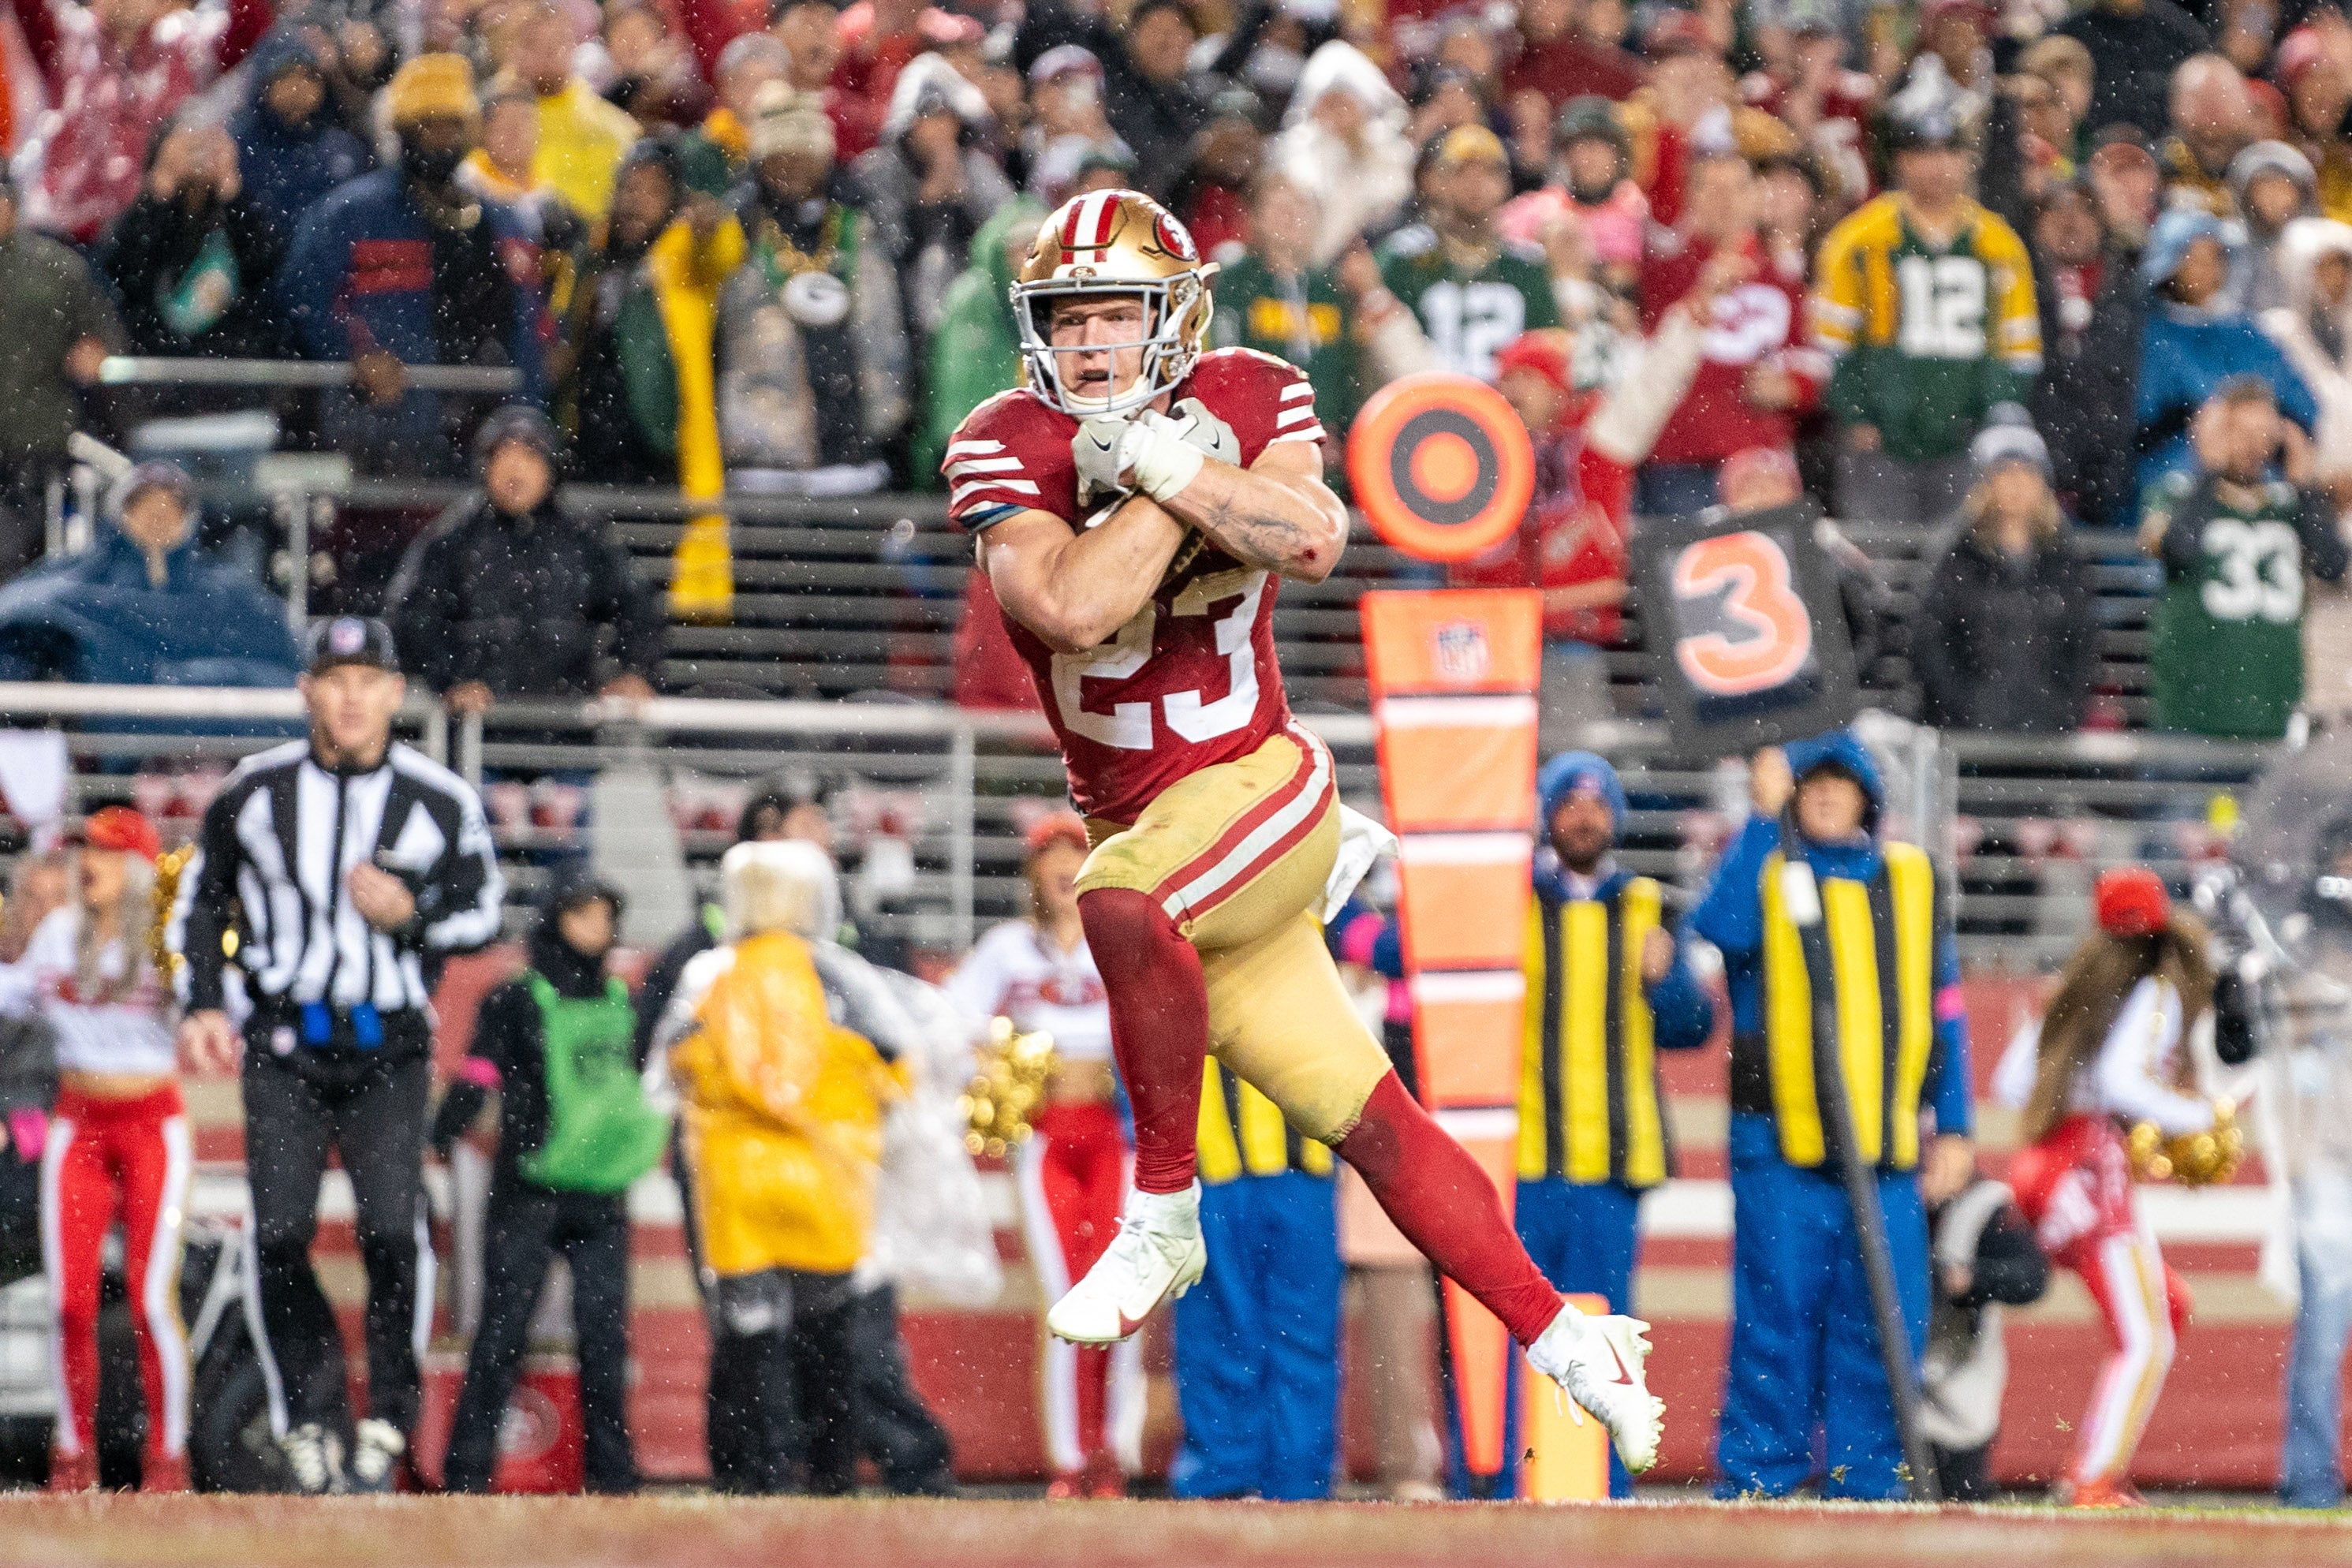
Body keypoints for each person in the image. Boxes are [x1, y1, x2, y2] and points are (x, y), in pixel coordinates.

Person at [940, 186, 1665, 1477]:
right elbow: (1071, 606)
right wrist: (1175, 486)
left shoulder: (1249, 390)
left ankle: (1162, 1208)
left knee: (1115, 899)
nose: (1094, 344)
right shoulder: (1003, 439)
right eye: (1069, 317)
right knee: (1374, 1122)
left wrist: (1164, 462)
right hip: (1173, 836)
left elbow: (1315, 535)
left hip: (1261, 790)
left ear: (1176, 318)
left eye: (1118, 313)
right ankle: (1571, 1344)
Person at [168, 616, 505, 1495]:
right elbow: (198, 903)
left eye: (369, 680)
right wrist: (203, 997)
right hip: (281, 1041)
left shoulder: (439, 798)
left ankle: (388, 1416)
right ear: (308, 689)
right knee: (277, 1234)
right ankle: (310, 1417)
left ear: (396, 693)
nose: (352, 696)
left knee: (393, 1229)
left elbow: (485, 911)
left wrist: (411, 916)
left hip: (389, 1044)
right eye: (335, 678)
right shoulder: (253, 790)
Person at [1688, 731, 1976, 1500]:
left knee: (1883, 1335)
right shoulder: (1766, 866)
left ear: (1868, 797)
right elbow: (1719, 928)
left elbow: (1944, 1010)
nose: (1823, 792)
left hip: (1885, 1161)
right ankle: (1758, 1488)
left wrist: (1954, 1123)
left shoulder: (1912, 880)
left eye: (1839, 781)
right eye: (1809, 781)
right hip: (1779, 1154)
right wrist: (1758, 818)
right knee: (1773, 1333)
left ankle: (1869, 1491)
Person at [654, 839, 898, 1495]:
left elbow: (668, 1069)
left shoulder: (710, 974)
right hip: (827, 1183)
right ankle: (832, 1477)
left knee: (748, 1341)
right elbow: (898, 1064)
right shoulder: (842, 975)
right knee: (830, 1339)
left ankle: (751, 1478)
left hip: (735, 1184)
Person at [1514, 752, 1717, 1497]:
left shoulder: (1650, 907)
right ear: (1546, 813)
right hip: (1526, 1160)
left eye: (1598, 802)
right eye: (1568, 800)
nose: (1583, 814)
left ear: (1617, 819)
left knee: (1604, 1337)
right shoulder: (1510, 901)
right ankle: (1521, 1482)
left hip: (1612, 1165)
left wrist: (1671, 983)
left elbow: (1695, 1028)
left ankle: (1600, 1488)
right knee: (1523, 1331)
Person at [1994, 868, 2216, 1507]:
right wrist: (2200, 1115)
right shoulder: (2156, 988)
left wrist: (2079, 1078)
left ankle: (2093, 1463)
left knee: (2165, 1307)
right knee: (2147, 1340)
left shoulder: (2074, 988)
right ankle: (2091, 1478)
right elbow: (2123, 1083)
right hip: (2092, 1173)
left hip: (2045, 1171)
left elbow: (2012, 1084)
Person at [431, 873, 657, 1495]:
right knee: (501, 1333)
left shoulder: (624, 998)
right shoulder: (516, 999)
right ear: (556, 918)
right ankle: (467, 1471)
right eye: (583, 914)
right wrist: (444, 1128)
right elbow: (478, 1070)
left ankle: (613, 1477)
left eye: (605, 916)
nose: (596, 928)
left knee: (604, 1340)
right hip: (528, 1191)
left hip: (602, 1192)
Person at [942, 814, 1130, 1498]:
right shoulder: (1007, 949)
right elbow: (949, 1020)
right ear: (1031, 873)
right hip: (1047, 1139)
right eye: (1051, 855)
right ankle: (1070, 1460)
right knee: (1065, 1297)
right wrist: (997, 1071)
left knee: (1119, 1299)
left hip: (1116, 1138)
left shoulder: (1121, 941)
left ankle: (1113, 1451)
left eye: (1076, 853)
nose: (1064, 865)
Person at [0, 808, 187, 1493]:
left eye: (106, 853)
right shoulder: (56, 933)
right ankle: (70, 1456)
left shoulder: (170, 935)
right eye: (85, 850)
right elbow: (12, 994)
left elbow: (226, 1004)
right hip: (77, 1123)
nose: (89, 863)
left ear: (137, 868)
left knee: (149, 1302)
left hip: (149, 1121)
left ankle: (168, 1459)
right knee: (71, 1304)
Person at [277, 54, 551, 477]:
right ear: (404, 131)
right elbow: (301, 293)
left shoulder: (501, 219)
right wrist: (355, 353)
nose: (442, 138)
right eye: (429, 124)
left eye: (452, 125)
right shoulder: (351, 212)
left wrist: (528, 416)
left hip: (481, 436)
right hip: (376, 428)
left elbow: (526, 327)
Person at [1812, 106, 2041, 524]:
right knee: (1880, 571)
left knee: (1959, 571)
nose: (1937, 167)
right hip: (1879, 447)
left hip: (1965, 445)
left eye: (1948, 152)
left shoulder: (2000, 246)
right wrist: (1856, 414)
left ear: (1967, 160)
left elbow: (2020, 352)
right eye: (1922, 153)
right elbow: (1830, 345)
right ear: (1900, 161)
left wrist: (1994, 416)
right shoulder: (1858, 241)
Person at [385, 405, 664, 717]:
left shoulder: (585, 535)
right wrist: (450, 681)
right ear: (484, 466)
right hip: (475, 735)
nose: (515, 471)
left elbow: (639, 605)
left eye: (530, 456)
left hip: (570, 731)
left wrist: (635, 672)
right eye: (503, 456)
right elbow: (413, 614)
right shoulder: (454, 534)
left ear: (551, 468)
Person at [715, 84, 909, 492]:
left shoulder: (859, 230)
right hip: (762, 456)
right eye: (781, 158)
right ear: (762, 164)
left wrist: (890, 414)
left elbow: (888, 329)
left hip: (854, 453)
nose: (793, 169)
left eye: (803, 157)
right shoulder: (736, 233)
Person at [2141, 374, 2348, 739]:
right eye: (2241, 431)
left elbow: (2333, 565)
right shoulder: (2177, 494)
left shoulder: (2290, 503)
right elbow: (2179, 551)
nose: (2254, 446)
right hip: (2193, 714)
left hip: (2273, 715)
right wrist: (2209, 471)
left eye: (2264, 432)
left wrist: (2305, 486)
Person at [1636, 147, 1821, 517]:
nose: (1724, 201)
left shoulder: (1783, 280)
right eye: (1711, 189)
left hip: (1759, 467)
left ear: (1756, 198)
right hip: (1678, 460)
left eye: (1736, 189)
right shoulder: (1665, 270)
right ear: (1692, 199)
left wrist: (1792, 387)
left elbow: (1815, 368)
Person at [0, 460, 301, 687]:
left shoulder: (225, 590)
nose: (158, 517)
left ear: (189, 521)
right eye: (144, 505)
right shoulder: (77, 576)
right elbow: (22, 607)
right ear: (120, 514)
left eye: (170, 507)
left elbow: (276, 647)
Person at [13, 0, 272, 245]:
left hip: (148, 235)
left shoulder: (191, 48)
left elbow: (251, 22)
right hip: (63, 233)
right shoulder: (66, 36)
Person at [1911, 417, 2100, 733]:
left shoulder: (2065, 560)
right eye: (2004, 471)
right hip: (1968, 734)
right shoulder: (1954, 556)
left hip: (2047, 734)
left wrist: (2063, 712)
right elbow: (1930, 643)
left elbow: (2083, 644)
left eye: (2027, 471)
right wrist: (1964, 709)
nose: (2016, 483)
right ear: (1983, 483)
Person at [2136, 207, 2317, 498]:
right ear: (2168, 264)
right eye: (2194, 258)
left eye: (2216, 258)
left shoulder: (2246, 331)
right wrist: (2209, 421)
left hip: (2261, 471)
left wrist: (2257, 423)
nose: (2207, 269)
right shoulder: (2148, 333)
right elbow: (2144, 416)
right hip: (2177, 473)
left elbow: (2300, 403)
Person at [0, 170, 122, 577]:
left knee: (30, 562)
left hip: (36, 442)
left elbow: (103, 335)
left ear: (12, 206)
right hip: (33, 434)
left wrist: (97, 352)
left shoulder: (56, 268)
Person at [852, 54, 1013, 352]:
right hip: (897, 315)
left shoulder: (977, 169)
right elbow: (891, 246)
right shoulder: (876, 172)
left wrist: (962, 205)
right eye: (929, 116)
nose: (939, 128)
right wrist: (930, 205)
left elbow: (1004, 236)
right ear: (909, 121)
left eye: (946, 117)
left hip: (973, 320)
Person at [1379, 125, 1562, 383]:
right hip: (1426, 405)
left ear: (1505, 184)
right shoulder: (1405, 258)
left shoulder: (1527, 265)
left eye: (1488, 173)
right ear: (1440, 182)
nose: (1475, 184)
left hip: (1504, 410)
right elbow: (1382, 350)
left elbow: (1543, 353)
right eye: (1462, 172)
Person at [95, 119, 285, 362]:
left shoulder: (236, 210)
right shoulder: (148, 212)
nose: (199, 156)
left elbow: (264, 264)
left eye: (207, 145)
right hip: (154, 358)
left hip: (227, 359)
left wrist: (232, 192)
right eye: (189, 146)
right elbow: (127, 273)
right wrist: (159, 192)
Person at [1917, 1174, 2047, 1501]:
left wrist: (1972, 1278)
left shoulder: (1984, 1204)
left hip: (1954, 1390)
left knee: (1960, 1500)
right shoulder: (1883, 1191)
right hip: (1884, 1390)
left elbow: (2031, 1278)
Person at [1266, 42, 1413, 268]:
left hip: (1367, 262)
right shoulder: (1292, 149)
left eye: (1345, 103)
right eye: (1329, 102)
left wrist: (1357, 151)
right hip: (1304, 266)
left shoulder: (1389, 152)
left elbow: (1388, 204)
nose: (1337, 112)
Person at [228, 28, 369, 252]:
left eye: (310, 76)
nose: (299, 87)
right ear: (263, 84)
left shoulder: (343, 148)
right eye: (285, 75)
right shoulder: (236, 147)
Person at [509, 0, 641, 223]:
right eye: (534, 43)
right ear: (515, 51)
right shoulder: (492, 121)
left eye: (556, 42)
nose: (548, 52)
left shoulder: (613, 125)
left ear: (573, 45)